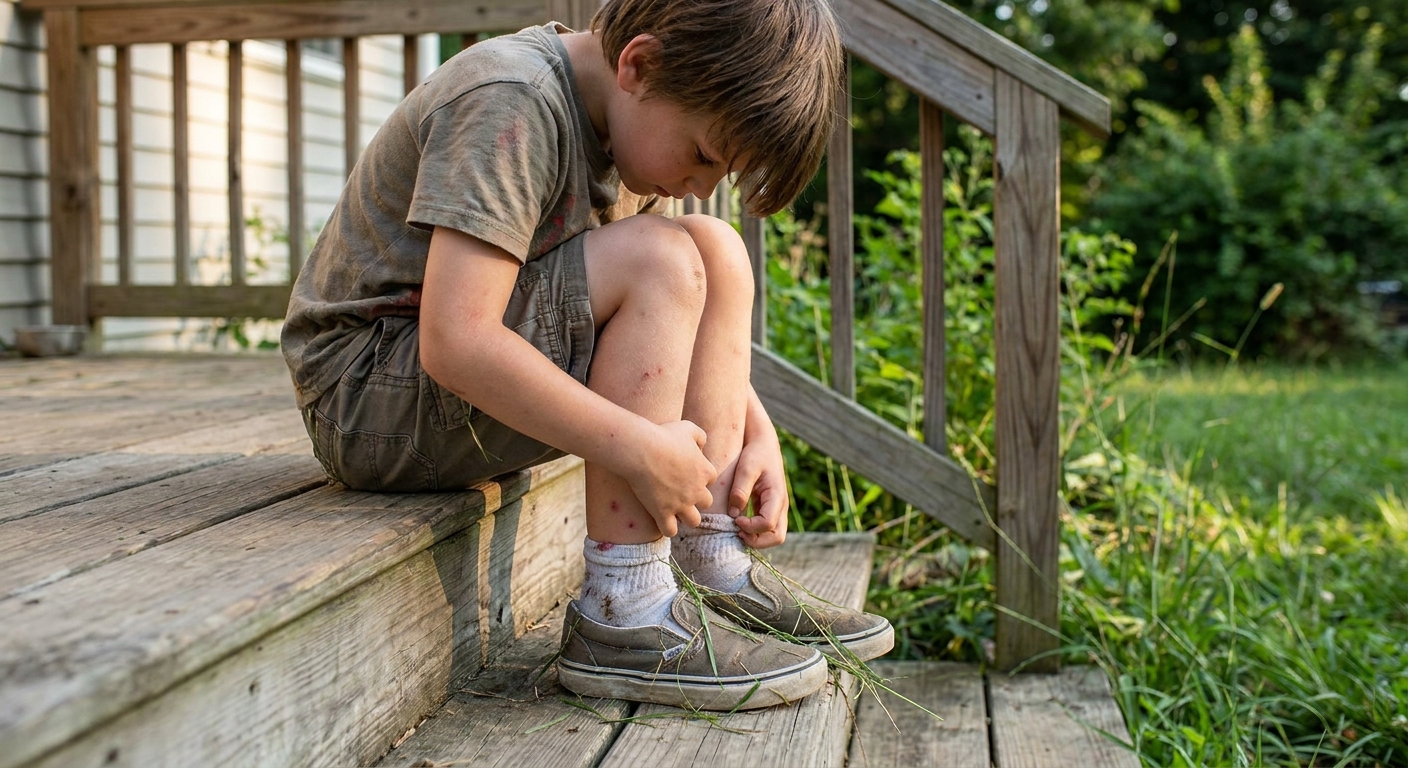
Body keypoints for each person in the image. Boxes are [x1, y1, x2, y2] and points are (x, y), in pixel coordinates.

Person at [280, 0, 892, 711]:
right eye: (703, 156)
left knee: (715, 248)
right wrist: (636, 445)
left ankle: (710, 561)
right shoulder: (513, 98)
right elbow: (457, 340)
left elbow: (680, 312)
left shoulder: (624, 122)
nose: (701, 186)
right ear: (640, 64)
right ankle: (622, 608)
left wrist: (755, 431)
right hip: (370, 398)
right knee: (661, 258)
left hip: (433, 393)